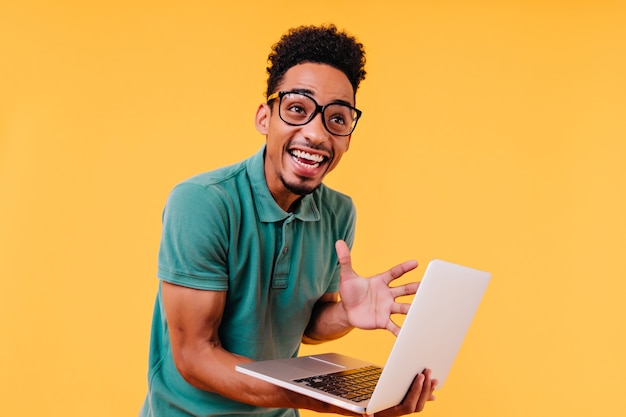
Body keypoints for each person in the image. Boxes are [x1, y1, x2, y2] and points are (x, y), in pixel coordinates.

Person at [140, 24, 436, 417]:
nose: (315, 133)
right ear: (265, 117)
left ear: (348, 135)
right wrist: (323, 397)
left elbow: (307, 325)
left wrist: (346, 314)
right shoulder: (202, 203)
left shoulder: (339, 213)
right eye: (297, 109)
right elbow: (195, 356)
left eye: (337, 118)